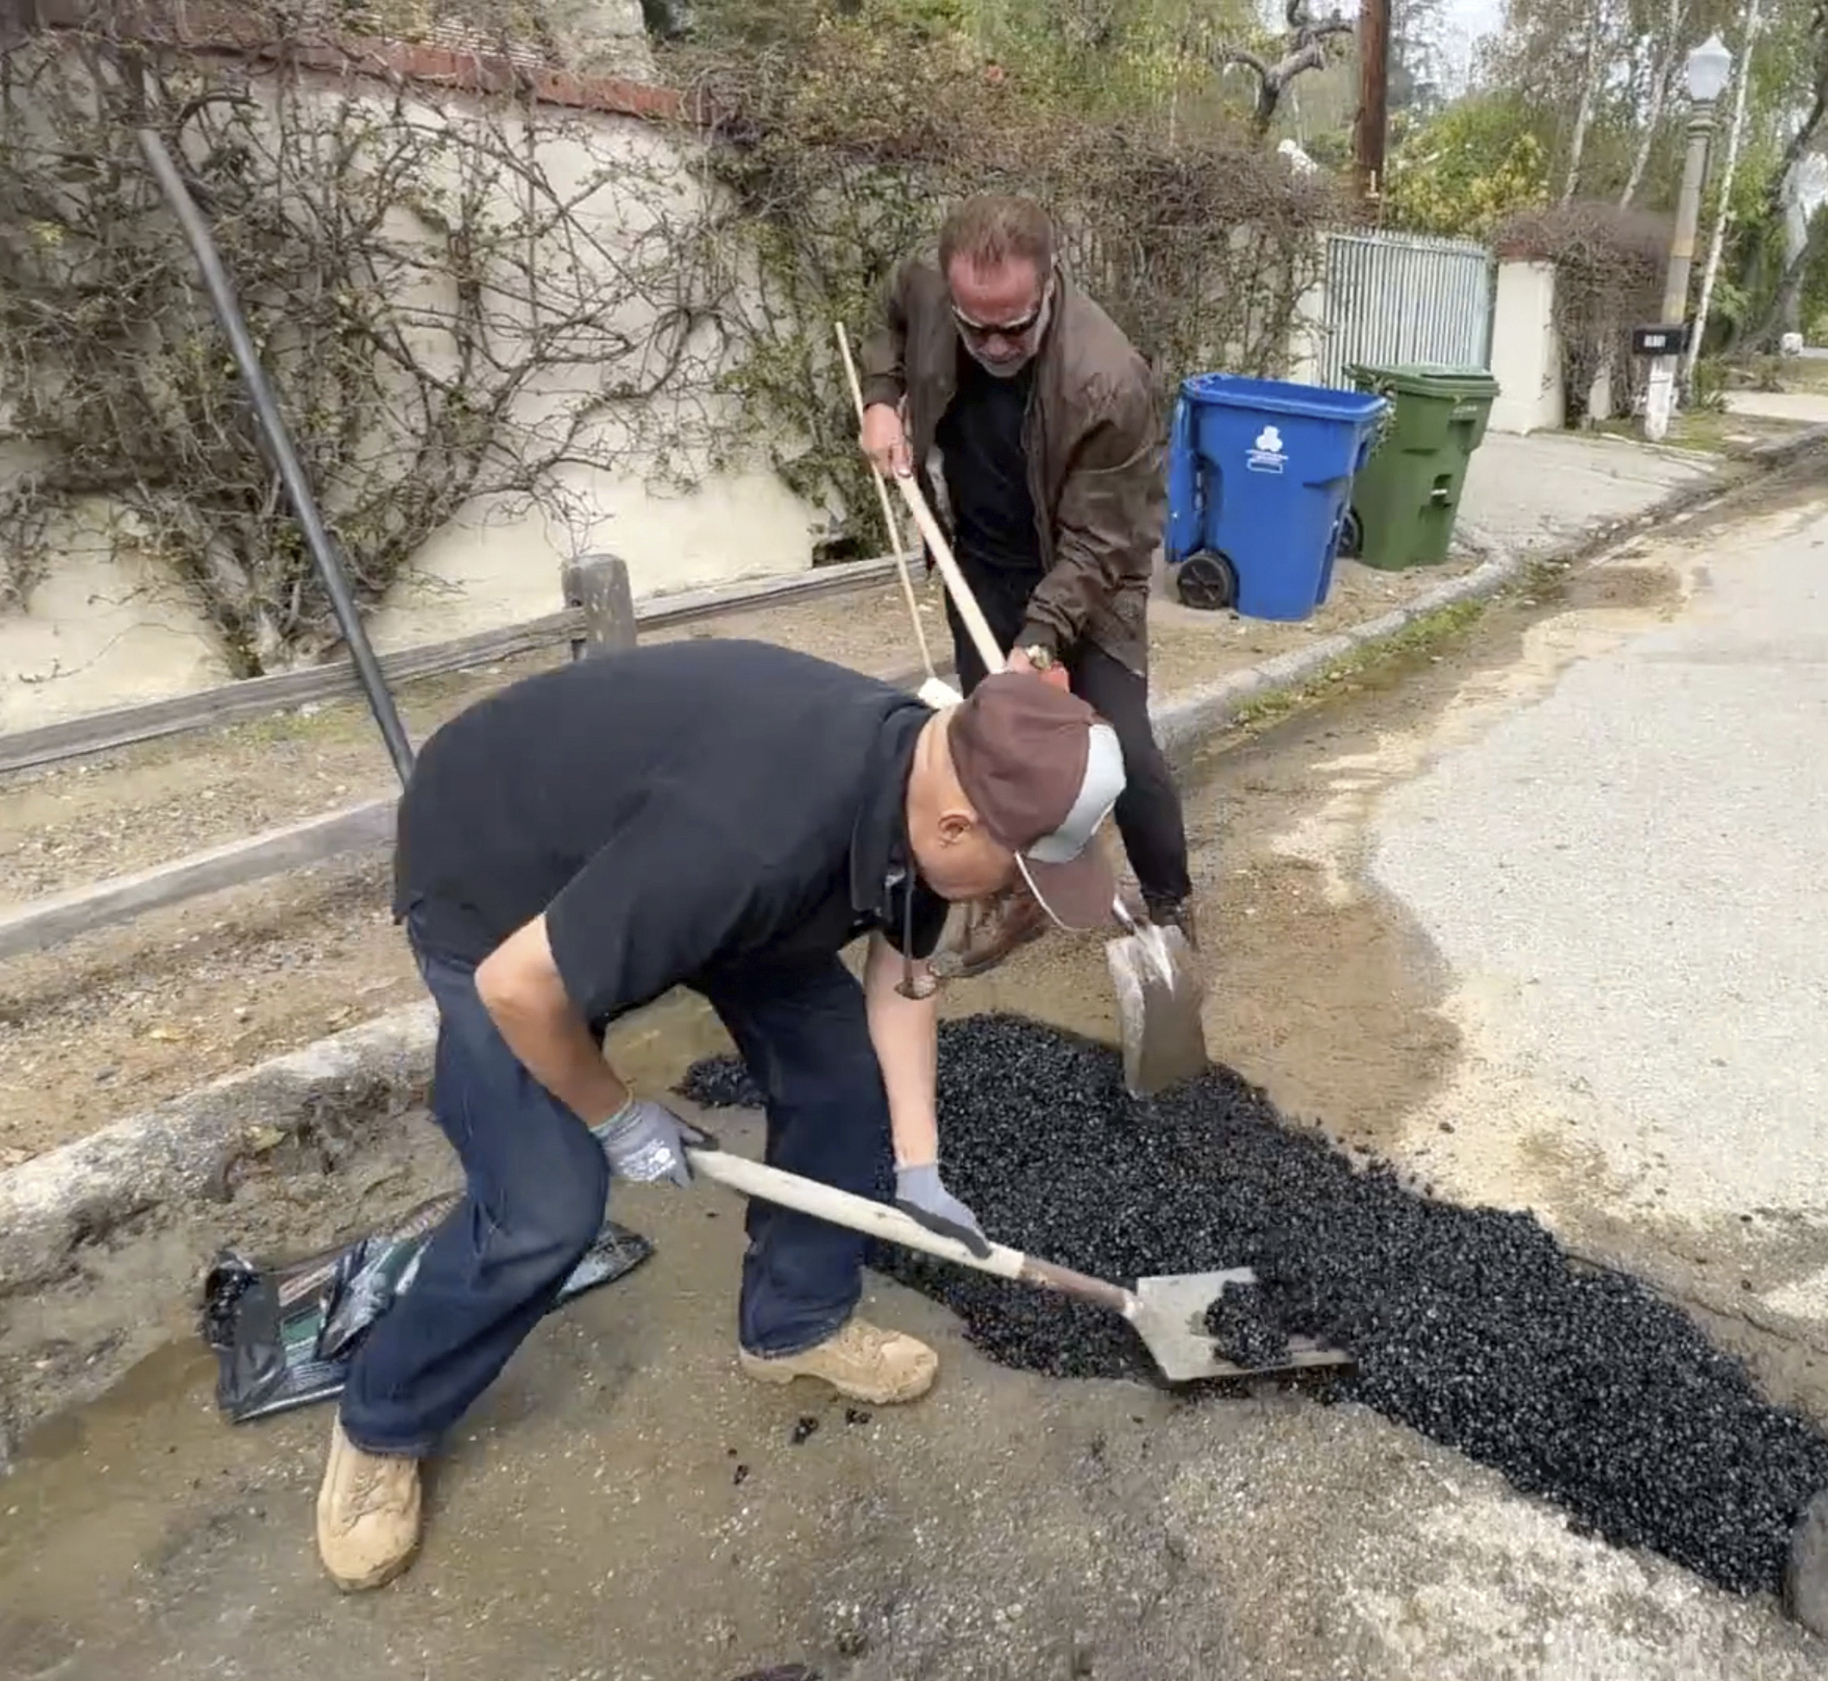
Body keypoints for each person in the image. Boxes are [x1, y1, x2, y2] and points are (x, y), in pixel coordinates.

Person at [316, 639, 1127, 1592]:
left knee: (840, 1077)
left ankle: (795, 1323)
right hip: (498, 876)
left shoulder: (916, 786)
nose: (1010, 895)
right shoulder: (751, 837)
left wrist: (919, 1165)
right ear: (955, 825)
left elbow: (903, 981)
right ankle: (383, 1419)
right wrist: (614, 1115)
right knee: (546, 1203)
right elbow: (520, 986)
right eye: (1014, 873)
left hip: (678, 866)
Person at [856, 192, 1195, 977]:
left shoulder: (1108, 379)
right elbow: (892, 317)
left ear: (1049, 286)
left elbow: (1105, 538)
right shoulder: (933, 290)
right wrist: (881, 398)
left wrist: (1039, 638)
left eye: (1017, 324)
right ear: (954, 294)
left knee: (1125, 747)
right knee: (991, 745)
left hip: (1088, 570)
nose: (997, 343)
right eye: (978, 327)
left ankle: (1172, 908)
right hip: (980, 559)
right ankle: (1016, 890)